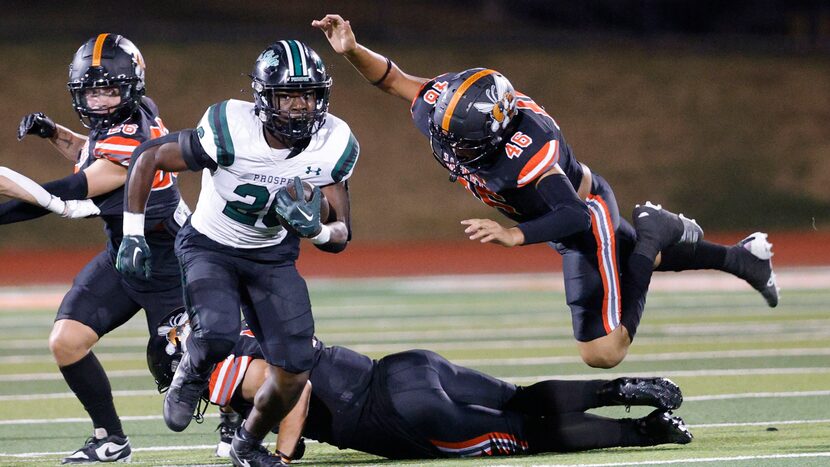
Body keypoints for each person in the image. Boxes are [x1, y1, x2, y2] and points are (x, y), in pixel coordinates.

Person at [312, 14, 780, 369]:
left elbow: (573, 215)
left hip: (583, 214)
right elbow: (392, 78)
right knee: (633, 257)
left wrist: (516, 236)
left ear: (497, 130)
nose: (453, 146)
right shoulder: (443, 106)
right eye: (448, 134)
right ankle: (743, 260)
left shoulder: (529, 149)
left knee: (603, 351)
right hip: (559, 216)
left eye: (466, 142)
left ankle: (655, 230)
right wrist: (351, 48)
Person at [117, 40, 359, 467]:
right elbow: (148, 156)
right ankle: (191, 369)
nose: (300, 107)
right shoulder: (231, 127)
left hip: (271, 256)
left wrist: (317, 230)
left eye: (309, 95)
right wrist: (132, 233)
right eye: (287, 96)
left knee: (295, 370)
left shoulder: (334, 143)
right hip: (211, 245)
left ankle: (246, 443)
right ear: (264, 98)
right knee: (218, 333)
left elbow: (341, 233)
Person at [146, 309, 693, 463]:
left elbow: (292, 386)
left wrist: (283, 457)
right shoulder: (241, 322)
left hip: (400, 416)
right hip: (402, 368)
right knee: (518, 397)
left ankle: (648, 434)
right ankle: (624, 389)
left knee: (529, 433)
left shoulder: (215, 365)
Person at [1, 34, 189, 464]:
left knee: (188, 367)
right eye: (92, 90)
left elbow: (67, 194)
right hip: (124, 256)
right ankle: (110, 439)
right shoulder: (132, 113)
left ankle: (239, 421)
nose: (100, 101)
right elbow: (91, 154)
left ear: (130, 88)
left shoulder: (131, 140)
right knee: (66, 341)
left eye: (109, 90)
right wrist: (54, 133)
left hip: (170, 266)